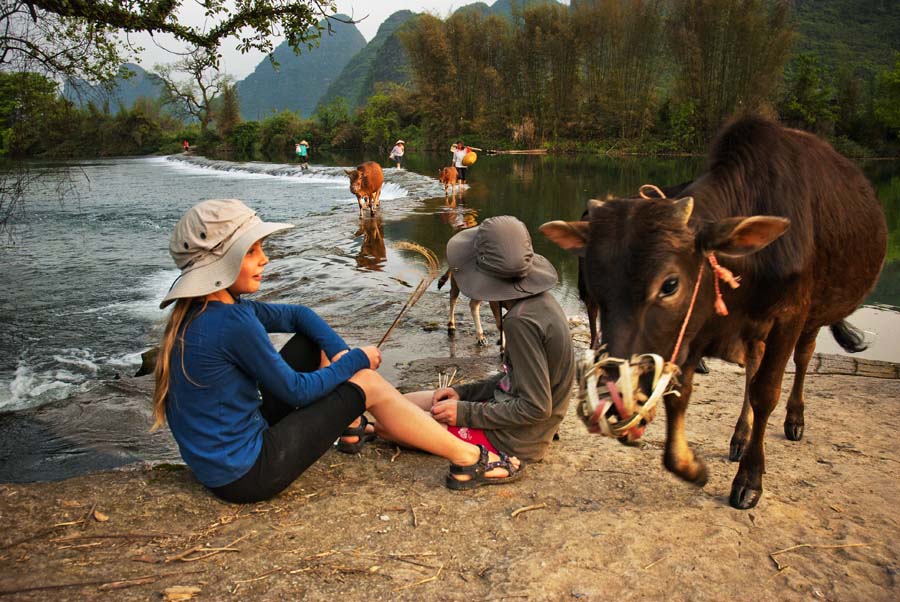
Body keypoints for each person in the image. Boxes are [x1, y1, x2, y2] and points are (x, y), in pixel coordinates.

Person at [151, 199, 521, 503]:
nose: (264, 259)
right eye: (252, 252)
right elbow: (296, 391)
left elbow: (300, 316)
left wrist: (340, 356)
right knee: (369, 385)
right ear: (223, 262)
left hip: (218, 466)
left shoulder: (208, 310)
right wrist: (358, 361)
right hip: (248, 476)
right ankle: (469, 458)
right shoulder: (234, 323)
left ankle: (351, 426)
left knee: (317, 344)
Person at [405, 216, 575, 465]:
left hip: (518, 439)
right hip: (518, 420)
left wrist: (464, 412)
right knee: (404, 404)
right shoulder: (540, 303)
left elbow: (536, 407)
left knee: (391, 426)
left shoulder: (520, 322)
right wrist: (462, 393)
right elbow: (516, 379)